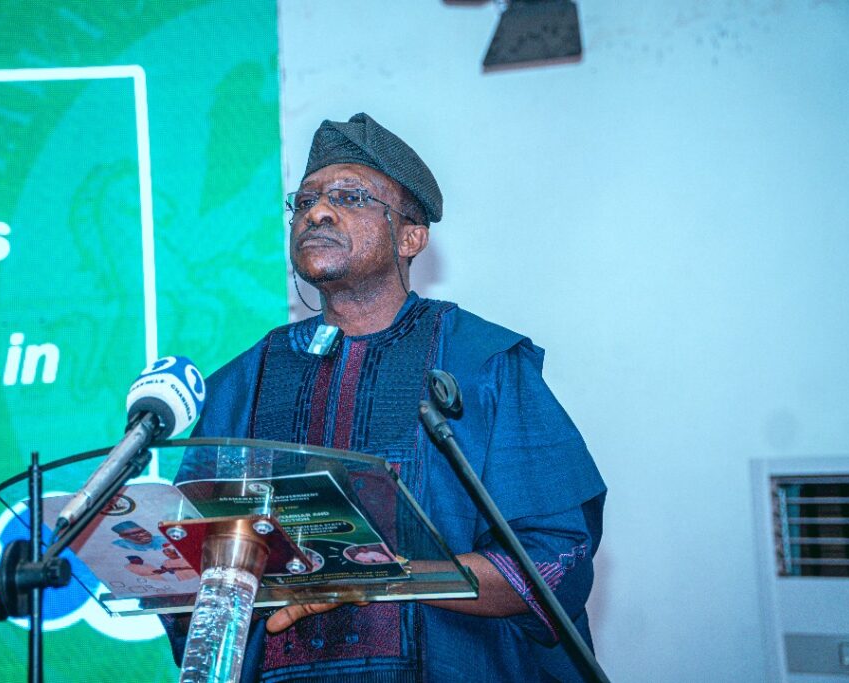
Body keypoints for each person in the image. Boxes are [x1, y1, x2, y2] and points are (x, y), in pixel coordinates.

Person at [162, 113, 606, 682]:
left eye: (350, 197)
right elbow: (194, 580)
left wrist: (383, 578)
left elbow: (555, 558)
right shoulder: (241, 385)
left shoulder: (484, 365)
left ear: (410, 236)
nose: (318, 213)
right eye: (306, 201)